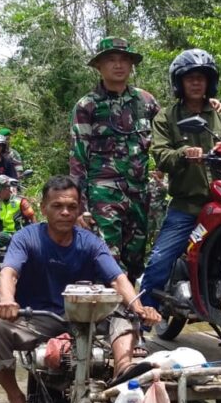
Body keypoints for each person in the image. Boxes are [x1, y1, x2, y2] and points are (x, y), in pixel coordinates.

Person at [0, 175, 161, 403]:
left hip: (85, 317)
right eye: (57, 206)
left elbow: (117, 278)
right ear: (43, 208)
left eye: (71, 206)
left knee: (123, 309)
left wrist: (138, 306)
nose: (65, 212)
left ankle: (124, 372)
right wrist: (7, 299)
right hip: (38, 318)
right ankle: (16, 400)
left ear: (79, 208)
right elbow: (9, 272)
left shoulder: (90, 242)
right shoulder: (26, 237)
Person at [139, 49, 221, 312]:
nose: (196, 83)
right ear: (180, 82)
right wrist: (184, 154)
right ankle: (142, 320)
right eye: (190, 78)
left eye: (201, 78)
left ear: (210, 82)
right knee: (160, 259)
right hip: (187, 206)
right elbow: (160, 155)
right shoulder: (167, 117)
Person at [69, 36, 161, 282]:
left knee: (136, 260)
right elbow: (78, 158)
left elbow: (167, 135)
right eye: (111, 60)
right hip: (103, 194)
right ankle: (107, 317)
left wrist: (210, 104)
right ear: (99, 66)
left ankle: (132, 314)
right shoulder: (87, 105)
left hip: (140, 193)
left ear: (131, 65)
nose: (118, 65)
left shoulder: (146, 101)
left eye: (124, 60)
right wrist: (80, 206)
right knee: (107, 257)